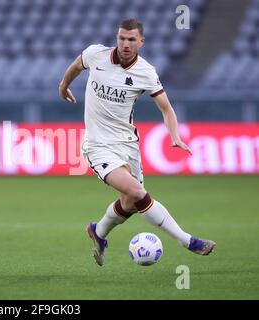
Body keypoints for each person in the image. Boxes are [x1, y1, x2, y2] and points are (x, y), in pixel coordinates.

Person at [58, 19, 216, 266]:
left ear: (141, 42)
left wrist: (174, 136)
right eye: (122, 38)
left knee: (130, 203)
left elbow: (166, 108)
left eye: (131, 39)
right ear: (117, 38)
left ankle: (98, 232)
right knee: (138, 192)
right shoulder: (95, 55)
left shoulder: (145, 72)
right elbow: (76, 66)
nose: (125, 44)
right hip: (98, 146)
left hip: (127, 145)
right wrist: (64, 85)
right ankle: (188, 241)